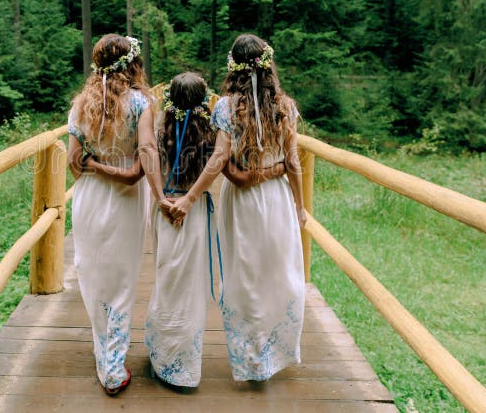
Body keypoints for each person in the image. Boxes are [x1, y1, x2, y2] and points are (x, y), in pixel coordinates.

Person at [169, 34, 308, 382]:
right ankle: (273, 351)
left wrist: (189, 197)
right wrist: (300, 207)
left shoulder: (226, 108)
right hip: (277, 200)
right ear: (268, 65)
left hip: (242, 204)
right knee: (278, 274)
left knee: (244, 276)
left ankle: (252, 359)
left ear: (232, 68)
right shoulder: (285, 107)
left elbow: (218, 159)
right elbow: (293, 162)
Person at [146, 71, 286, 388]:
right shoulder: (211, 137)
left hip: (165, 212)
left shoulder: (158, 134)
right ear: (204, 103)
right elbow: (219, 165)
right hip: (194, 216)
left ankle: (165, 356)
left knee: (166, 279)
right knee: (191, 288)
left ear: (168, 101)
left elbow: (148, 164)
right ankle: (185, 368)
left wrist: (162, 200)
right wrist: (192, 198)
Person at [67, 34, 170, 395]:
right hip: (126, 200)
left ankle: (104, 355)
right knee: (122, 279)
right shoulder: (141, 103)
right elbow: (144, 153)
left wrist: (96, 164)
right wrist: (145, 186)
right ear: (132, 65)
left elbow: (74, 166)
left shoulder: (80, 106)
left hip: (89, 198)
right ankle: (112, 364)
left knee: (92, 273)